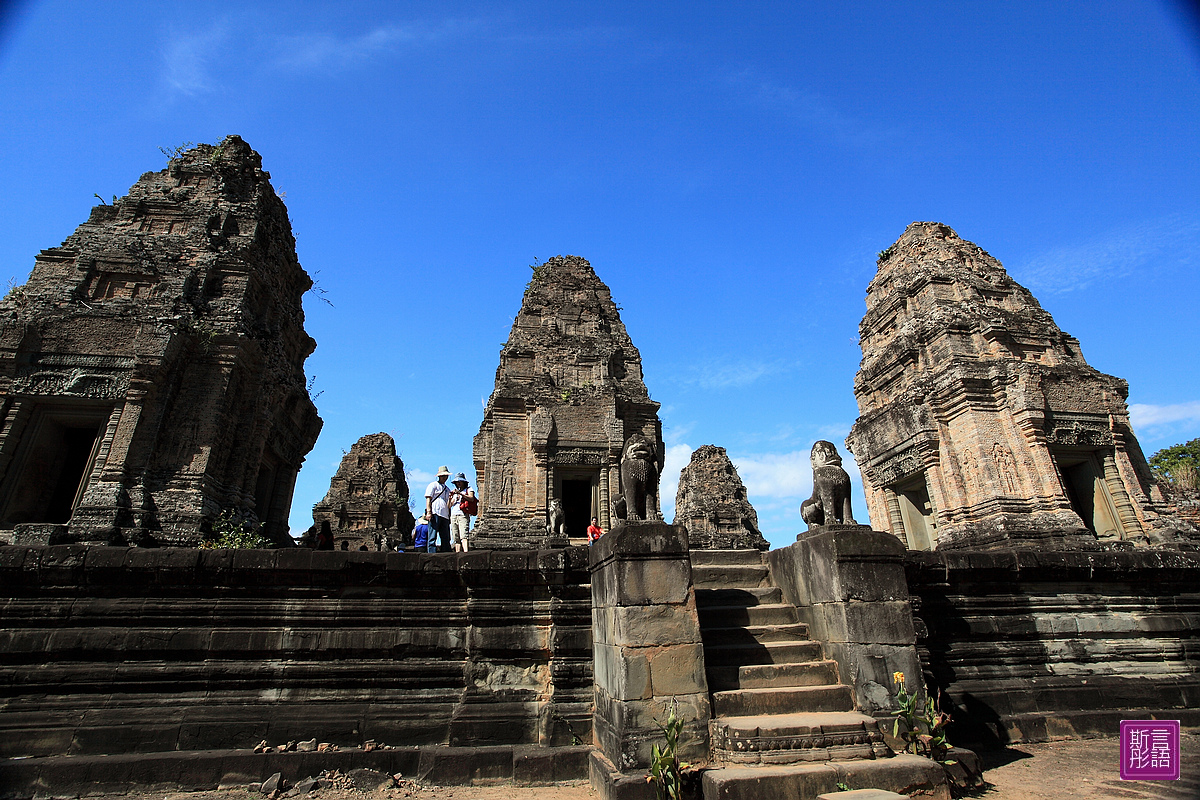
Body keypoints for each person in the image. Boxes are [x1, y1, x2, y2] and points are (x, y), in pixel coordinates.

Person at [425, 465, 453, 553]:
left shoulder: (447, 489)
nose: (445, 478)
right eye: (443, 476)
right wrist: (429, 512)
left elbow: (448, 504)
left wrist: (450, 515)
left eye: (446, 476)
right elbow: (428, 499)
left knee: (445, 537)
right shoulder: (433, 485)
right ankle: (431, 553)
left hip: (445, 514)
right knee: (432, 535)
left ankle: (445, 552)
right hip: (435, 512)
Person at [448, 472, 475, 552]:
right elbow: (449, 506)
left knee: (464, 535)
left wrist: (461, 494)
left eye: (460, 481)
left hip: (463, 514)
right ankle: (457, 553)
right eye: (457, 482)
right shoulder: (455, 494)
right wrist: (450, 498)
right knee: (456, 537)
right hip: (454, 514)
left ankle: (465, 552)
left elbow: (471, 498)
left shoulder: (468, 489)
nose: (459, 483)